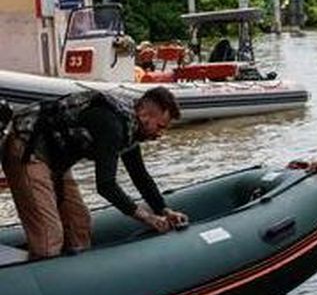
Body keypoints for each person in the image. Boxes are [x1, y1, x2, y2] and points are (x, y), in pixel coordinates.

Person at [1, 86, 188, 259]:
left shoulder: (130, 127)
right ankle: (41, 267)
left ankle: (76, 274)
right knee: (49, 238)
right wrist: (148, 218)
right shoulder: (112, 126)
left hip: (56, 158)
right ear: (144, 114)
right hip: (28, 148)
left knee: (79, 224)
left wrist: (164, 210)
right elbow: (106, 185)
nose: (159, 134)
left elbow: (140, 175)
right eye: (160, 126)